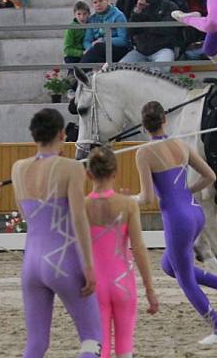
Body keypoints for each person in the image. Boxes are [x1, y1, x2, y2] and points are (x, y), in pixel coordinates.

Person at [135, 101, 217, 346]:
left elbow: (146, 198)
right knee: (168, 265)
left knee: (184, 278)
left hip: (177, 219)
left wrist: (120, 199)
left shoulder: (143, 153)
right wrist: (186, 192)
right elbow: (210, 176)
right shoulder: (181, 145)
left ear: (143, 126)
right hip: (195, 214)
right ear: (165, 120)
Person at [10, 109, 102, 358]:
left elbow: (27, 215)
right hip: (63, 258)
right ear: (62, 134)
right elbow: (78, 216)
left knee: (36, 343)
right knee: (93, 338)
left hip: (31, 263)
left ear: (33, 135)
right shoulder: (70, 167)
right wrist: (88, 265)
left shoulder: (18, 168)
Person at [86, 145, 158, 358]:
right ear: (115, 173)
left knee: (101, 348)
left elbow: (75, 249)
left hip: (95, 287)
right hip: (123, 283)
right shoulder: (127, 205)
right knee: (125, 346)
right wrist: (150, 289)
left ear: (89, 173)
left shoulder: (81, 205)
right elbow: (139, 249)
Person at [121, 0, 180, 66]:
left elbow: (168, 29)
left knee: (159, 70)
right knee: (120, 69)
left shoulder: (170, 6)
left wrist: (144, 26)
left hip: (163, 49)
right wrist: (138, 11)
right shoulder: (139, 7)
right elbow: (130, 31)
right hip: (140, 51)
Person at [80, 0, 130, 65]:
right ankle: (77, 74)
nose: (98, 4)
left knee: (98, 48)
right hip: (98, 51)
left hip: (118, 49)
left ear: (107, 1)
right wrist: (89, 48)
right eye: (95, 2)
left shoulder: (118, 15)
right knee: (76, 56)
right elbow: (87, 40)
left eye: (101, 1)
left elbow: (123, 40)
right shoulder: (92, 19)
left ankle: (78, 73)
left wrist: (103, 40)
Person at [64, 0, 90, 64]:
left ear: (89, 14)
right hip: (73, 56)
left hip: (88, 54)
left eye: (84, 14)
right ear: (75, 15)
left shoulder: (91, 25)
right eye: (79, 14)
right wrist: (81, 53)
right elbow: (67, 49)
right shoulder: (71, 28)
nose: (82, 17)